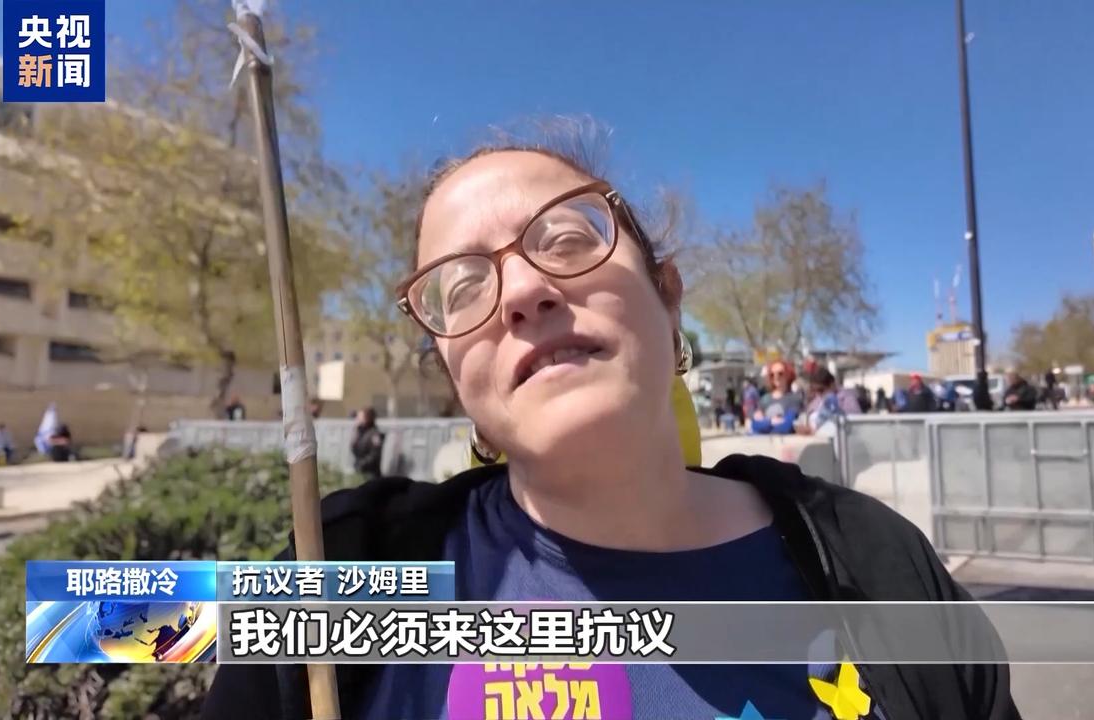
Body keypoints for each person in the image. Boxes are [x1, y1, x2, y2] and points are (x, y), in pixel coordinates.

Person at [203, 141, 1018, 720]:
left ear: (668, 295)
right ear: (453, 376)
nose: (522, 292)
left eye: (566, 239)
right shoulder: (335, 574)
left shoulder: (877, 562)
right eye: (462, 288)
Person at [750, 360, 802, 434]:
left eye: (780, 373)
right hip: (764, 440)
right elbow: (754, 425)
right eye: (772, 374)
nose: (776, 377)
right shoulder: (764, 399)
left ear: (788, 375)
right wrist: (771, 422)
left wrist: (764, 424)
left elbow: (786, 426)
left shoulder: (794, 399)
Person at [350, 407, 385, 481]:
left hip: (371, 474)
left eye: (360, 417)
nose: (358, 419)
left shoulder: (375, 434)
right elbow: (354, 449)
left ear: (368, 418)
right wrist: (356, 432)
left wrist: (362, 464)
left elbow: (375, 455)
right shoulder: (360, 432)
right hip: (360, 471)